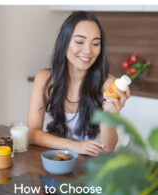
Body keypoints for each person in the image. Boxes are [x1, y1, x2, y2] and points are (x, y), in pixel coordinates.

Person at [27, 11, 131, 157]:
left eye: (95, 43)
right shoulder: (44, 79)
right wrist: (74, 146)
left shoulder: (108, 85)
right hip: (65, 157)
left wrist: (110, 115)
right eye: (80, 42)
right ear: (64, 42)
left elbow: (107, 149)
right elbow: (31, 134)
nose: (88, 51)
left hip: (100, 164)